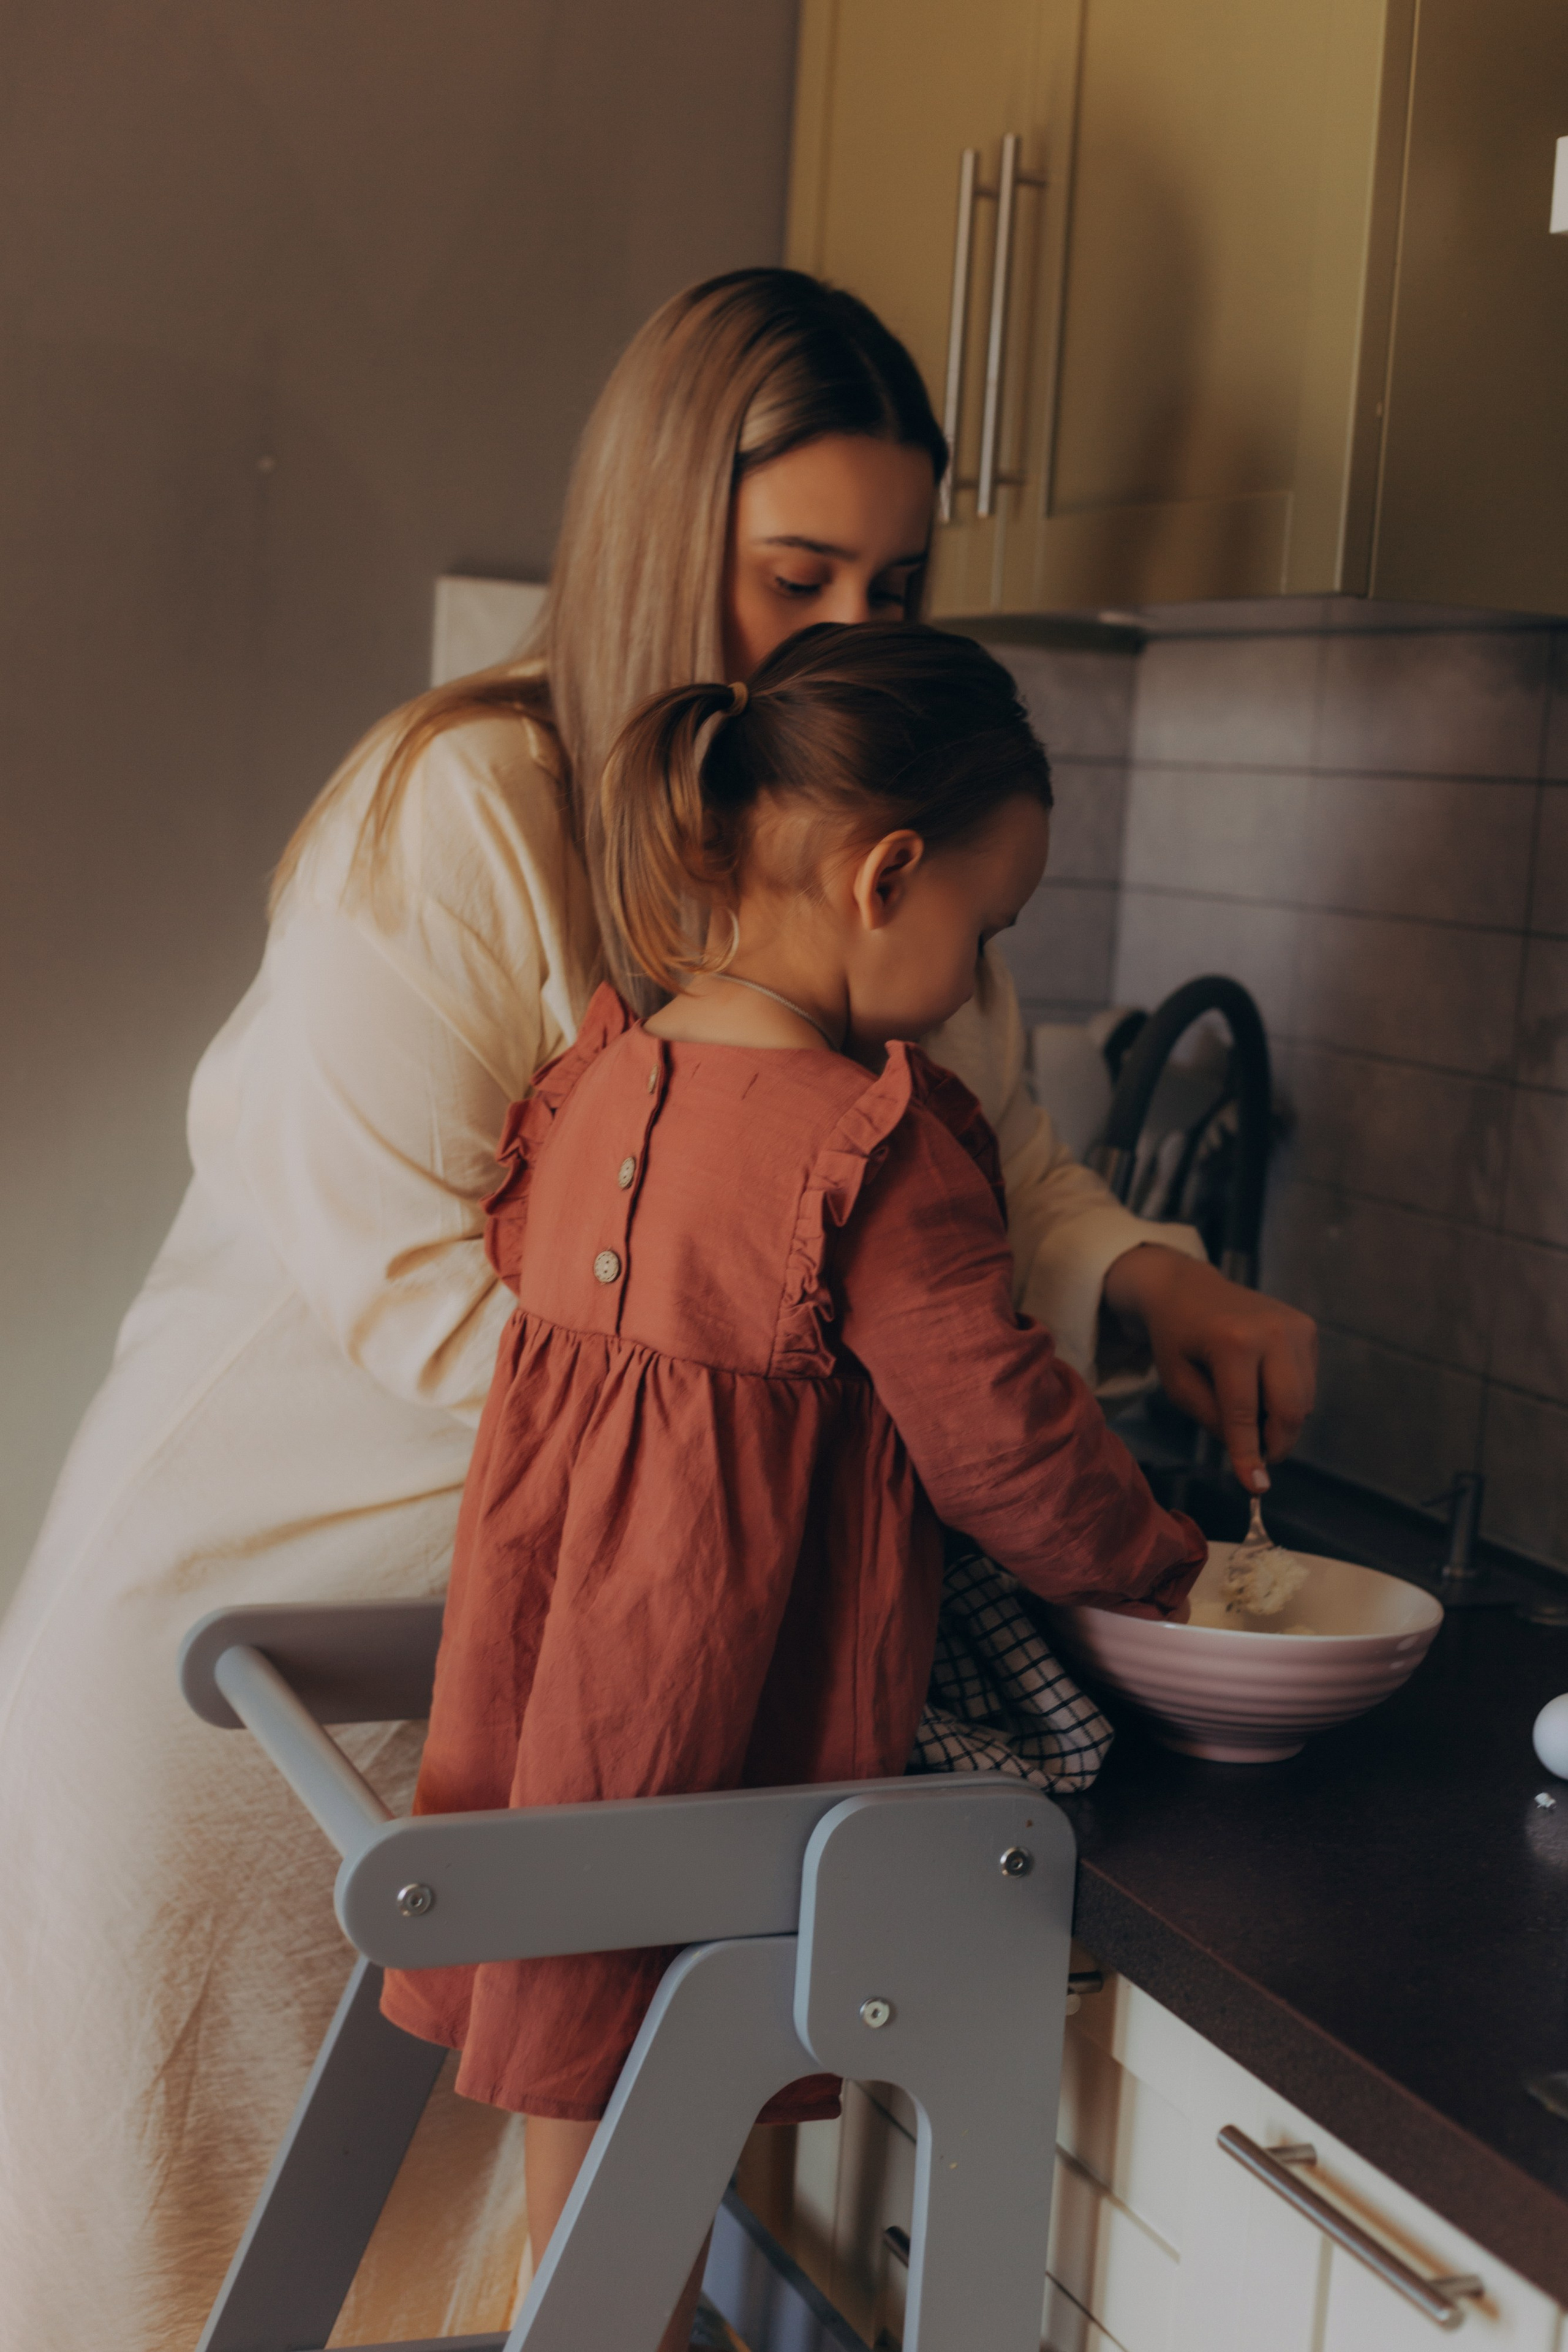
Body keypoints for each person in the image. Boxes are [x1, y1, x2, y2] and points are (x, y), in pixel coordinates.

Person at [0, 268, 1314, 2352]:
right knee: (166, 2290)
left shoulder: (869, 834)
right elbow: (408, 1281)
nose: (850, 633)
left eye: (894, 582)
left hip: (583, 1702)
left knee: (516, 2277)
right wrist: (835, 1451)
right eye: (798, 573)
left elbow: (967, 1159)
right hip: (270, 1683)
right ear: (657, 542)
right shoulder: (463, 811)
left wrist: (1146, 1273)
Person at [382, 621, 1208, 2352]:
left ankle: (611, 2322)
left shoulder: (605, 1077)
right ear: (885, 874)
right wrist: (1164, 1564)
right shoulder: (870, 1144)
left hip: (554, 1703)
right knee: (639, 2128)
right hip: (707, 1713)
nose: (983, 964)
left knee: (591, 2081)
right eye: (987, 927)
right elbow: (1005, 1451)